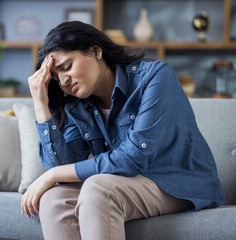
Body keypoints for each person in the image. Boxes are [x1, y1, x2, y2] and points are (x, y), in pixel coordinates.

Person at [20, 21, 224, 240]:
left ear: (95, 51)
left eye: (67, 66)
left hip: (177, 183)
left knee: (99, 188)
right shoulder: (76, 105)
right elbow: (63, 172)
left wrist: (51, 175)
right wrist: (40, 103)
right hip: (123, 183)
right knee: (54, 199)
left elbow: (132, 158)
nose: (64, 81)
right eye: (57, 78)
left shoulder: (154, 77)